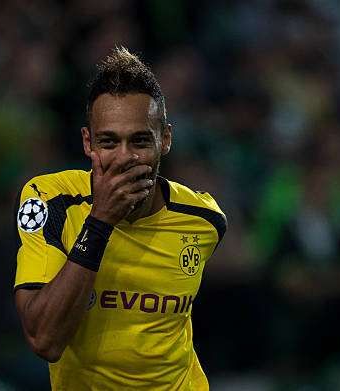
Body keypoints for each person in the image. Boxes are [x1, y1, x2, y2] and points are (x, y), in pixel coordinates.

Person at [13, 47, 226, 390]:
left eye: (140, 140)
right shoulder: (50, 201)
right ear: (88, 142)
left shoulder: (204, 220)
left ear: (165, 140)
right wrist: (100, 221)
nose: (125, 158)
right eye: (109, 142)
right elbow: (44, 340)